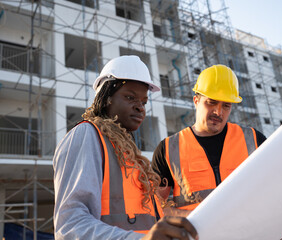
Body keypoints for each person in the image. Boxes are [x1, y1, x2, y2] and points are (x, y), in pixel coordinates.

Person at [53, 55, 198, 240]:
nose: (140, 107)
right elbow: (70, 226)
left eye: (144, 102)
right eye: (130, 97)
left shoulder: (126, 150)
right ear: (106, 98)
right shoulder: (86, 136)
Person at [152, 64, 267, 212]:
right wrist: (186, 219)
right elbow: (153, 206)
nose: (218, 112)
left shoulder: (253, 140)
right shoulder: (168, 148)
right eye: (211, 102)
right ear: (196, 101)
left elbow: (274, 190)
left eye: (226, 105)